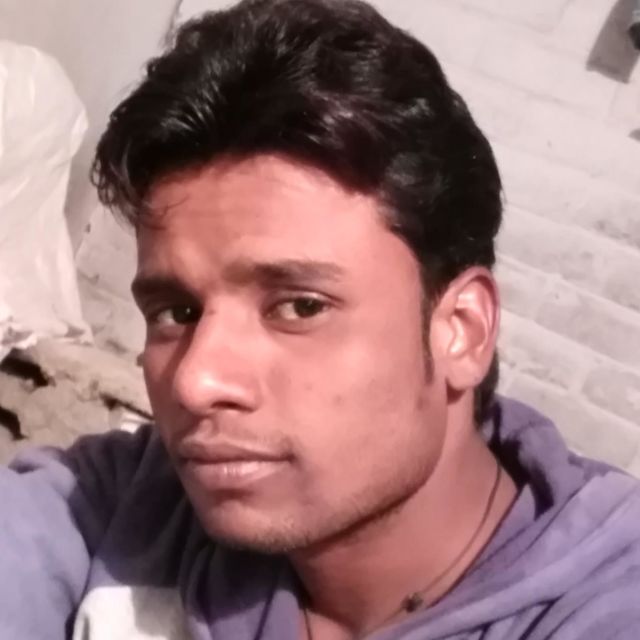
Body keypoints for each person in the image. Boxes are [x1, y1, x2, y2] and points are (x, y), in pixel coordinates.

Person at [2, 1, 640, 638]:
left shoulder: (604, 606)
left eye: (300, 306)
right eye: (177, 312)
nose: (195, 382)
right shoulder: (120, 506)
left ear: (462, 330)